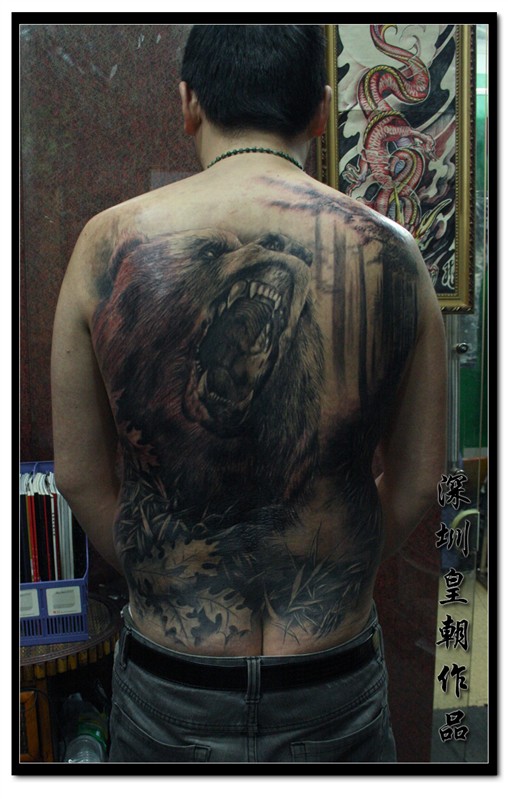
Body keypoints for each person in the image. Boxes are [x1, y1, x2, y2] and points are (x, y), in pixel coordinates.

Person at [51, 24, 447, 763]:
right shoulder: (396, 255)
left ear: (187, 102)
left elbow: (77, 474)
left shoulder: (106, 245)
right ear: (321, 112)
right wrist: (337, 569)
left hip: (172, 684)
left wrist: (163, 568)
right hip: (331, 683)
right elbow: (421, 481)